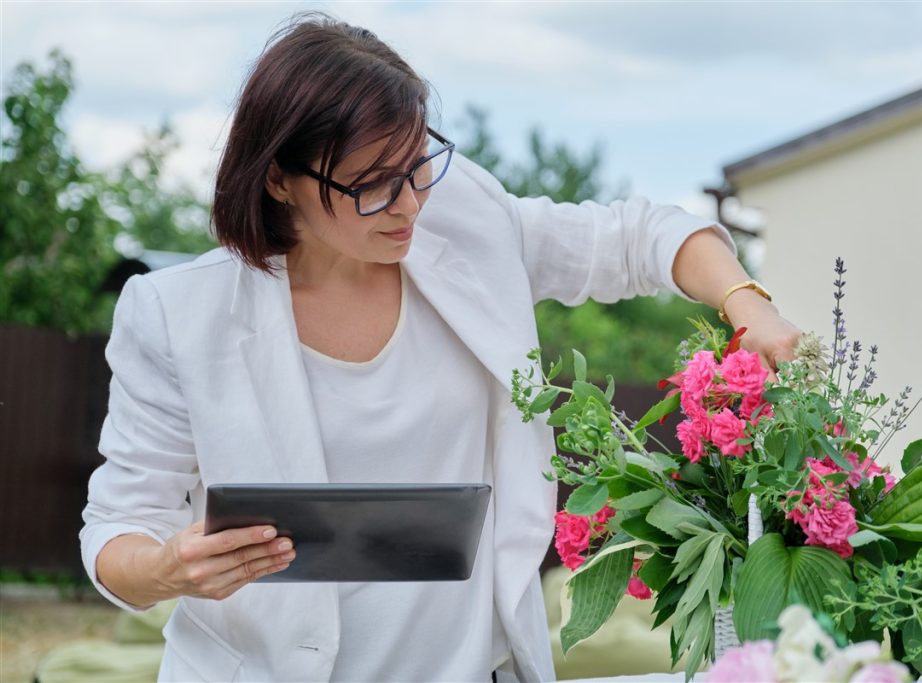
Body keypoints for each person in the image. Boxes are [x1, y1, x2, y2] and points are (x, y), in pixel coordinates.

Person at [80, 13, 802, 683]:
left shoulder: (468, 225)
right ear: (278, 179)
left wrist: (746, 302)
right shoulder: (177, 314)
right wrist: (171, 567)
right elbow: (117, 529)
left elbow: (641, 235)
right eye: (370, 184)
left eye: (418, 164)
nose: (409, 203)